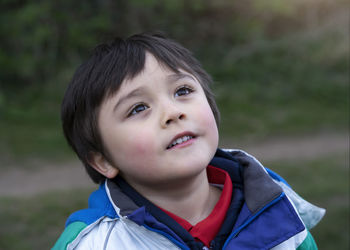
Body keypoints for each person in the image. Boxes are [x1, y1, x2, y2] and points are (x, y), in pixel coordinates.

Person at [53, 32, 325, 250]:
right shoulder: (93, 244)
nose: (173, 112)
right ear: (103, 159)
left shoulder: (275, 210)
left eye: (183, 90)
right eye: (138, 108)